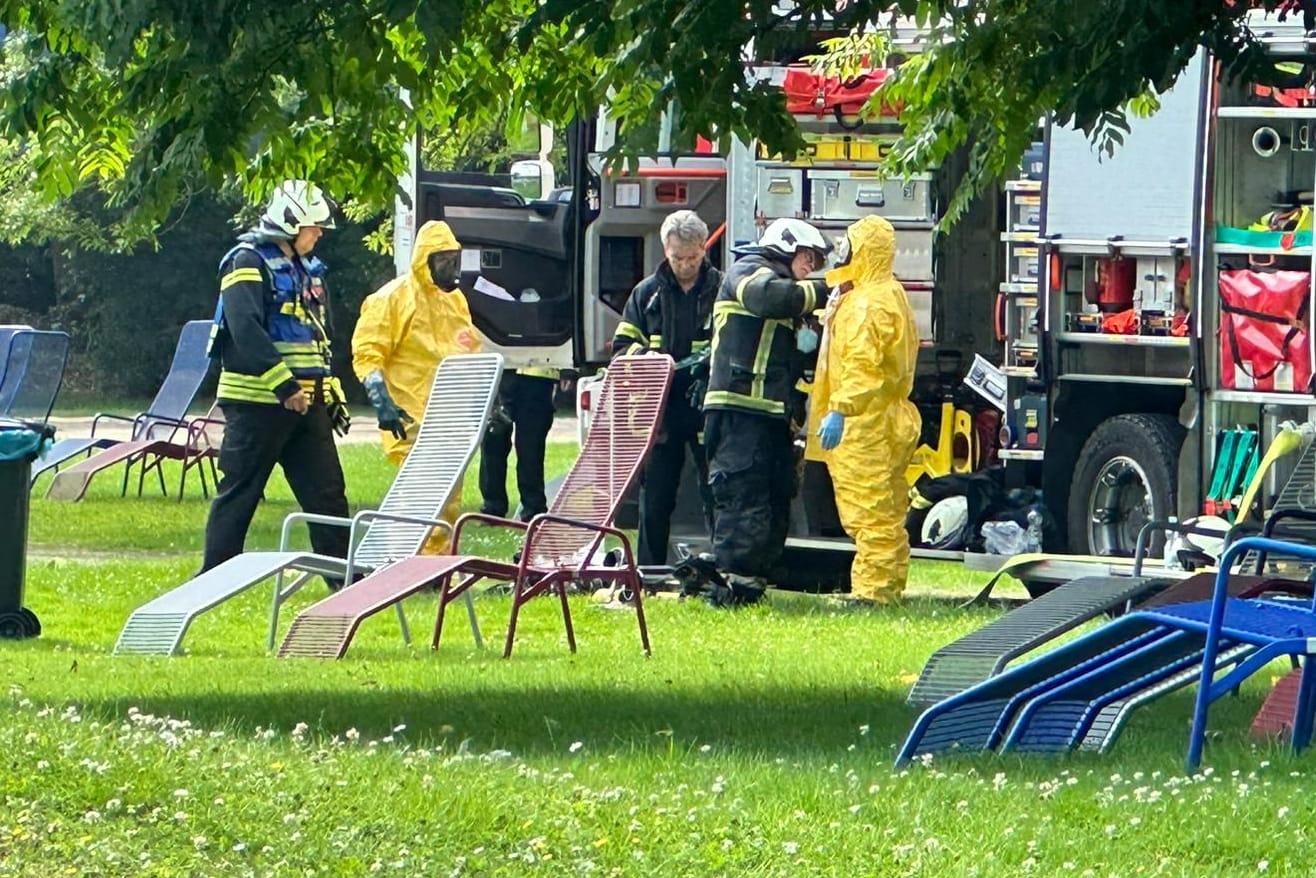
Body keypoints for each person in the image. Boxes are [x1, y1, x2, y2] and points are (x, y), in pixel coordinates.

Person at [201, 180, 352, 582]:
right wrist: (285, 387)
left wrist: (327, 390)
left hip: (308, 404)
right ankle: (213, 579)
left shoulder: (307, 268)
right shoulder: (246, 262)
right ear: (290, 224)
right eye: (314, 227)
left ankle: (344, 578)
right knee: (241, 492)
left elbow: (317, 335)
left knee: (327, 495)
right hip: (258, 404)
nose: (319, 234)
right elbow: (245, 329)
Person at [702, 217, 830, 605]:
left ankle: (754, 579)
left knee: (774, 496)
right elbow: (771, 298)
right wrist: (828, 289)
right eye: (808, 259)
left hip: (770, 414)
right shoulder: (748, 271)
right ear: (786, 247)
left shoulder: (788, 289)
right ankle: (732, 584)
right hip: (739, 409)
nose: (810, 269)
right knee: (743, 493)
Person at [811, 214, 921, 604]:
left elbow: (862, 366)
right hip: (886, 417)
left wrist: (840, 409)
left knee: (868, 511)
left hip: (865, 422)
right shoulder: (888, 293)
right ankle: (886, 587)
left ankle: (873, 592)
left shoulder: (866, 305)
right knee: (887, 511)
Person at [352, 220, 481, 545]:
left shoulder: (455, 301)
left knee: (448, 497)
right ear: (424, 260)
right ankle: (408, 564)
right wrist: (381, 399)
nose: (450, 268)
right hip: (410, 415)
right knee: (420, 494)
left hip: (449, 418)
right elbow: (368, 353)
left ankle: (435, 569)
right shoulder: (392, 299)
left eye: (454, 260)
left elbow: (469, 352)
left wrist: (485, 400)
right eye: (442, 261)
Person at [611, 209, 722, 566]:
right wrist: (653, 360)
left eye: (693, 257)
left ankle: (721, 566)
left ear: (704, 249)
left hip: (707, 406)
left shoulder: (722, 289)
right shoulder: (646, 295)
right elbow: (621, 348)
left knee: (716, 491)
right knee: (655, 494)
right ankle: (647, 569)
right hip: (659, 411)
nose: (686, 265)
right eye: (678, 258)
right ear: (665, 251)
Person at [478, 367, 559, 521]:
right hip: (502, 376)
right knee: (493, 444)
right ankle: (493, 509)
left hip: (535, 379)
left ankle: (532, 509)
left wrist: (568, 371)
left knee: (530, 450)